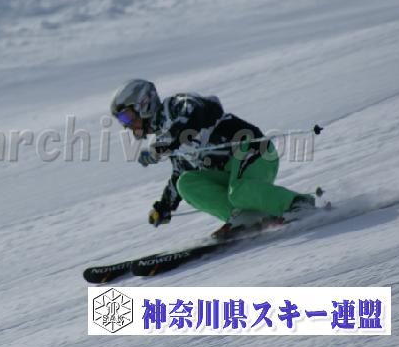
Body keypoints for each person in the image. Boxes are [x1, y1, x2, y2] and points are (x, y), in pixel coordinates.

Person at [110, 79, 315, 239]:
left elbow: (196, 112)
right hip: (230, 171)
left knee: (239, 191)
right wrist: (164, 207)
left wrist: (162, 146)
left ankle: (297, 203)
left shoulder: (175, 106)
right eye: (121, 120)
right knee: (186, 183)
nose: (126, 125)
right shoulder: (164, 135)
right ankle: (245, 218)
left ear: (143, 104)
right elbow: (179, 172)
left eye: (126, 116)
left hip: (254, 151)